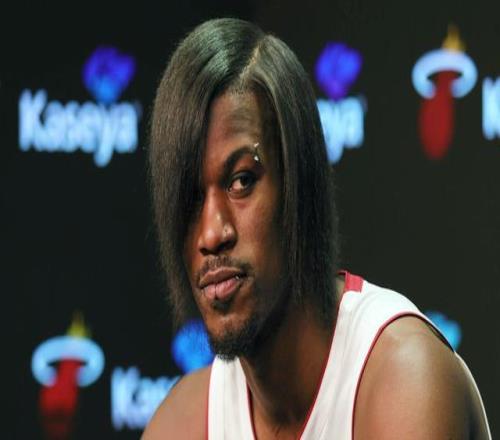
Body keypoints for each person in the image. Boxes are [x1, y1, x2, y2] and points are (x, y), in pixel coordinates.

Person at [143, 18, 491, 439]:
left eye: (242, 181)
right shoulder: (182, 423)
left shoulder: (404, 378)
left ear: (298, 184)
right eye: (190, 197)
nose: (212, 234)